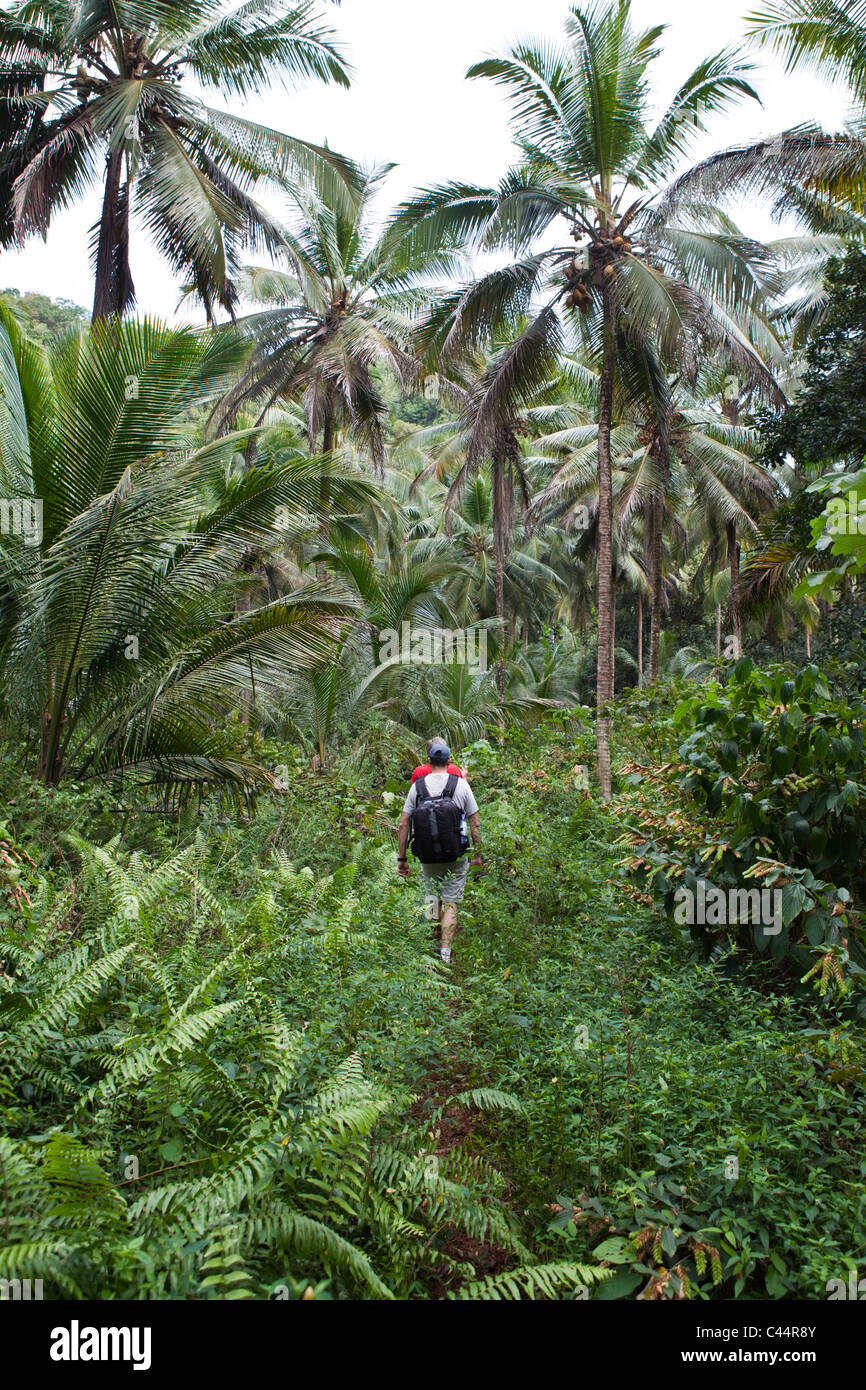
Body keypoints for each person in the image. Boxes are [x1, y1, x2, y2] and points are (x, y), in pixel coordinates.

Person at [397, 739, 483, 966]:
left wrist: (402, 859)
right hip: (455, 854)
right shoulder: (461, 785)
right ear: (448, 761)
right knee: (451, 902)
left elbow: (404, 823)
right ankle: (445, 954)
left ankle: (432, 941)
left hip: (427, 856)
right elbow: (474, 822)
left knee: (432, 897)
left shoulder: (417, 787)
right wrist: (478, 854)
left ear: (428, 761)